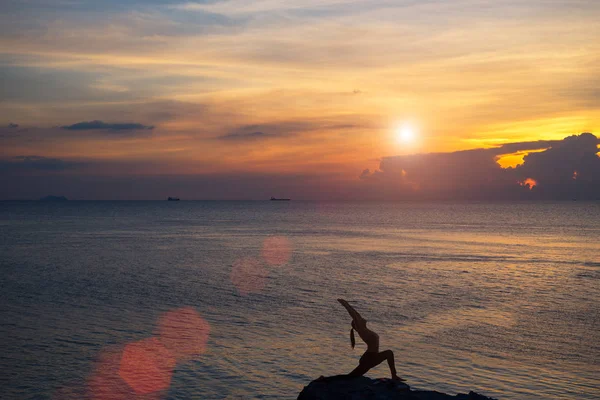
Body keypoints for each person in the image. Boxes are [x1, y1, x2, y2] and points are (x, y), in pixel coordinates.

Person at [337, 298, 404, 381]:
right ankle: (325, 380)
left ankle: (394, 376)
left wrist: (349, 305)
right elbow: (354, 315)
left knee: (351, 377)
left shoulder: (365, 329)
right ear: (357, 325)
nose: (361, 318)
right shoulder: (362, 330)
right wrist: (346, 305)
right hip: (369, 358)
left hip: (371, 356)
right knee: (350, 377)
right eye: (359, 319)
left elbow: (356, 314)